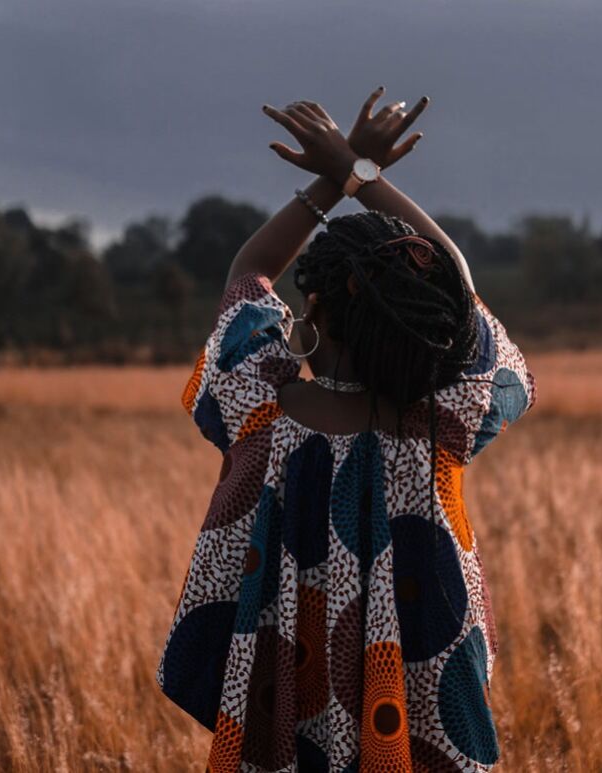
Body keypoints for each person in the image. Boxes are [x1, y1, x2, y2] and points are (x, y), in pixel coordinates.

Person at [155, 86, 537, 772]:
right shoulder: (442, 425)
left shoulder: (259, 414)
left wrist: (331, 181)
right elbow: (463, 291)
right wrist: (365, 177)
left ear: (316, 311)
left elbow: (249, 271)